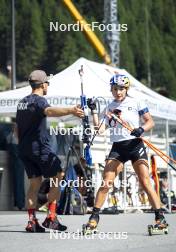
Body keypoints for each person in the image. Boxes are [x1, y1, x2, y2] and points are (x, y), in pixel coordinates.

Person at [84, 74, 168, 232]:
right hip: (118, 148)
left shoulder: (136, 102)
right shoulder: (109, 107)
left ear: (126, 89)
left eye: (121, 89)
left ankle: (160, 217)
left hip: (135, 145)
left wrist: (141, 129)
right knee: (106, 182)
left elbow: (150, 121)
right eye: (115, 89)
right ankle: (94, 218)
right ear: (111, 89)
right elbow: (100, 130)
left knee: (145, 182)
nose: (118, 92)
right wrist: (94, 111)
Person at [16, 70, 84, 232]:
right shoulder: (40, 101)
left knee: (34, 184)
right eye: (48, 83)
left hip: (24, 149)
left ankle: (32, 222)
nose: (48, 86)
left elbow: (16, 128)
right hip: (40, 148)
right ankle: (51, 217)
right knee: (59, 176)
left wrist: (23, 145)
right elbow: (50, 111)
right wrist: (71, 111)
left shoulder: (22, 103)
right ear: (43, 84)